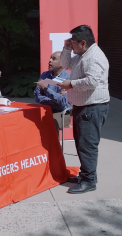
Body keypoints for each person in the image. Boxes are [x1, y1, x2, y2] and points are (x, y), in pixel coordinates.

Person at [58, 25, 110, 194]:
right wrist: (66, 49)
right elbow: (66, 64)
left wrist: (70, 84)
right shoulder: (82, 54)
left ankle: (89, 180)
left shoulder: (94, 57)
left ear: (83, 42)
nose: (70, 44)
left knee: (87, 145)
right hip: (83, 106)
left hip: (92, 107)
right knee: (82, 144)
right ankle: (85, 175)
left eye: (72, 42)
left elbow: (91, 81)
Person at [34, 51, 72, 136]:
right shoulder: (44, 75)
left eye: (53, 59)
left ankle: (55, 148)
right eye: (50, 58)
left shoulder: (68, 78)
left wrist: (46, 89)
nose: (49, 60)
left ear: (62, 64)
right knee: (30, 119)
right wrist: (55, 97)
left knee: (51, 122)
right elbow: (37, 96)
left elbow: (63, 102)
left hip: (63, 112)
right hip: (46, 109)